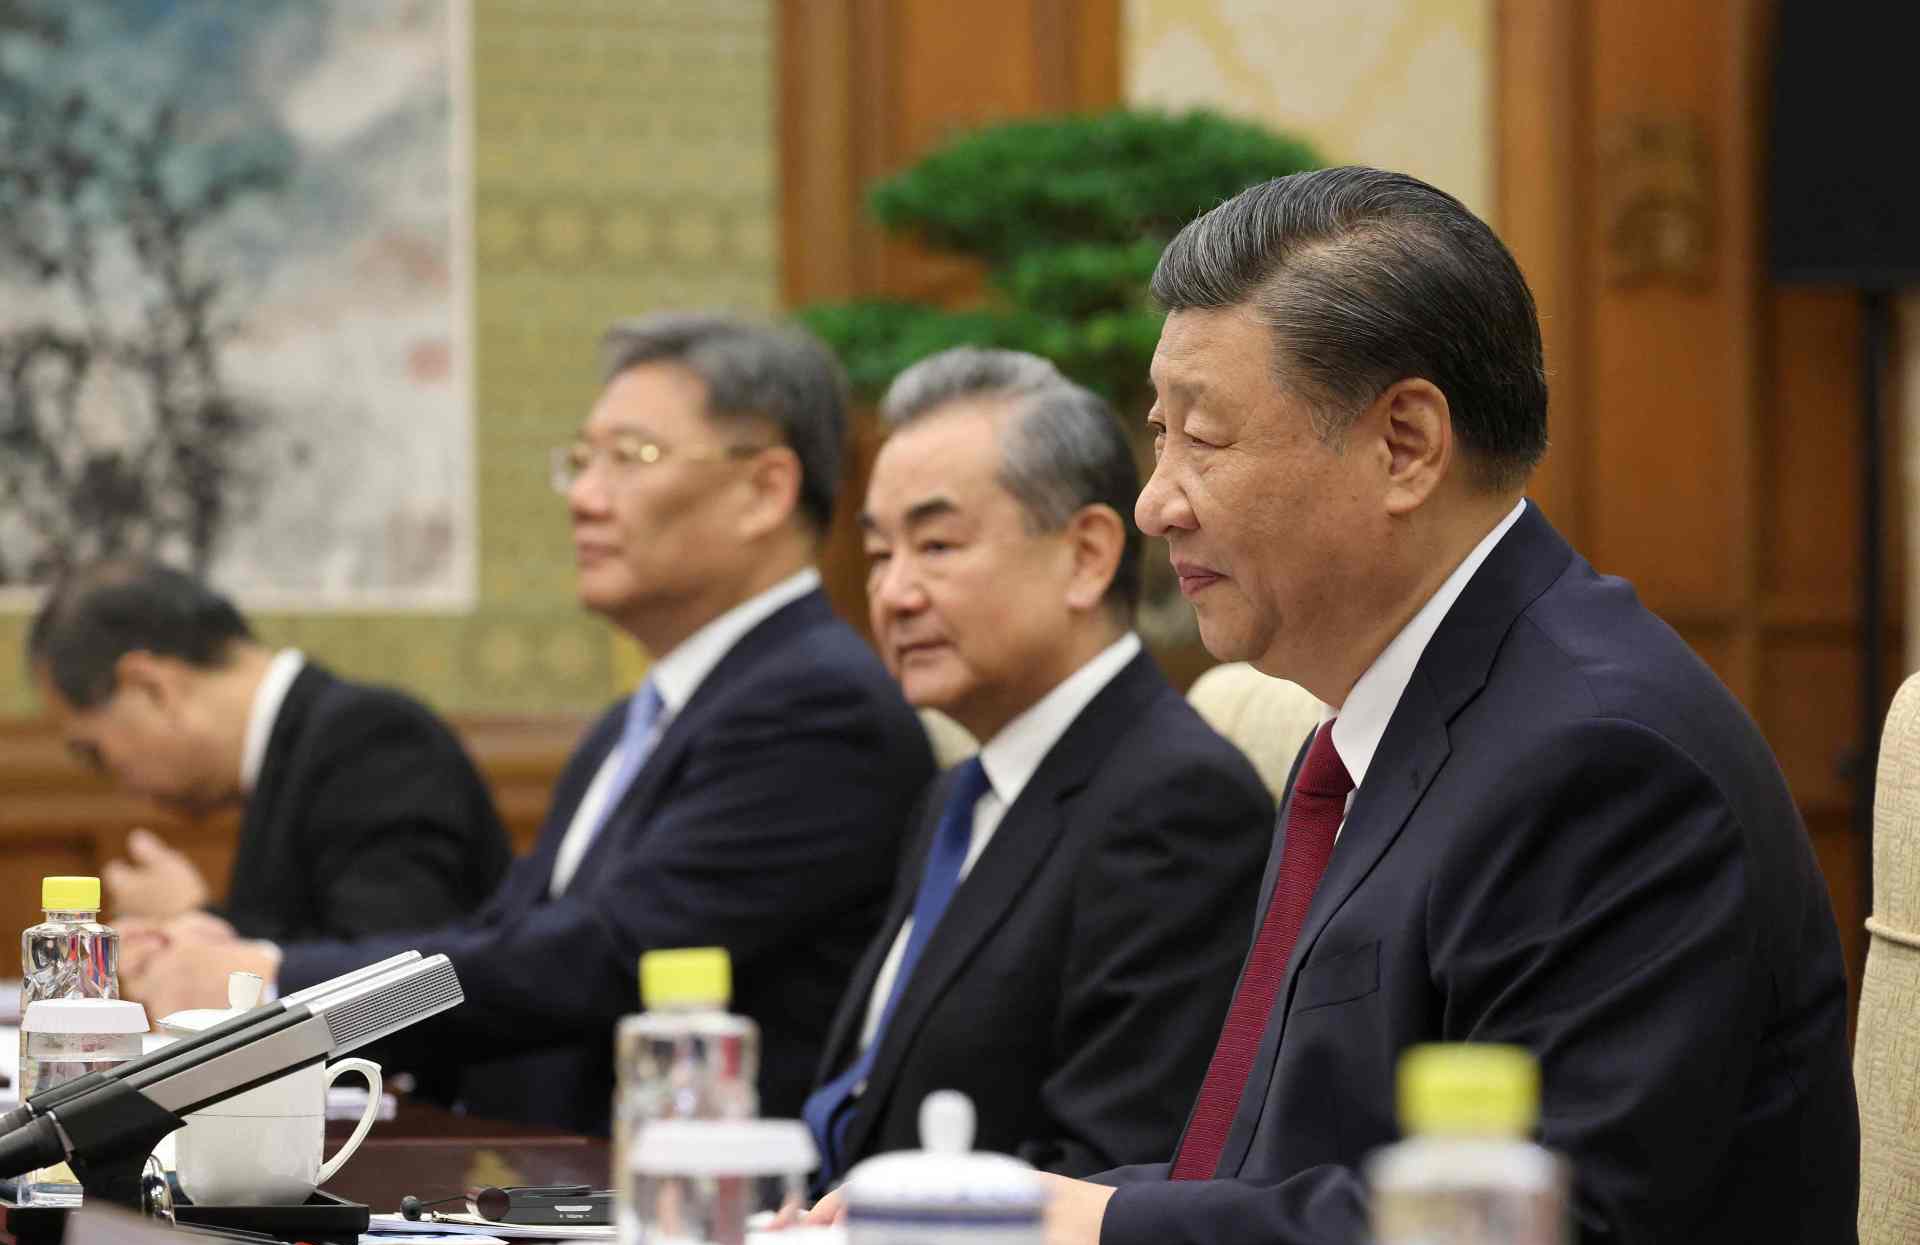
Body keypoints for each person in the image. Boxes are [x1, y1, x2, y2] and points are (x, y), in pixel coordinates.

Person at [1035, 168, 1859, 1245]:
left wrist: (1105, 1225)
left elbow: (1529, 1240)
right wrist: (999, 1216)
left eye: (1201, 438)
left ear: (1406, 445)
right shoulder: (1372, 733)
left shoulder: (1603, 758)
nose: (1156, 502)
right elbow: (1282, 1182)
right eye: (1160, 437)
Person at [122, 313, 936, 1131]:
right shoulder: (636, 722)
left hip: (684, 1191)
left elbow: (597, 958)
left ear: (765, 490)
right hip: (528, 1175)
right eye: (582, 461)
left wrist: (276, 990)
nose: (584, 498)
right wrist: (251, 964)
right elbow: (499, 937)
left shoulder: (820, 708)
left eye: (631, 458)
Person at [801, 348, 1272, 1187]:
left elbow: (1114, 1167)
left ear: (1086, 555)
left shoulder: (1175, 803)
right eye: (877, 555)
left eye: (936, 544)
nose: (895, 594)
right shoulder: (957, 793)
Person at [28, 562, 511, 947]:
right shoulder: (296, 748)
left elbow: (394, 983)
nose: (117, 782)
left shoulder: (372, 739)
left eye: (94, 753)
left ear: (151, 687)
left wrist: (197, 926)